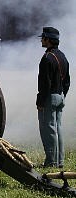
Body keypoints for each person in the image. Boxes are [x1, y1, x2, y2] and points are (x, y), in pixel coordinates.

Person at [37, 27, 70, 168]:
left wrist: (40, 101)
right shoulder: (63, 56)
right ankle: (60, 161)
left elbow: (45, 83)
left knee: (48, 129)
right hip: (60, 95)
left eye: (43, 38)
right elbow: (67, 80)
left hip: (49, 97)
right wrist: (62, 95)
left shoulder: (47, 58)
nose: (41, 40)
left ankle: (51, 162)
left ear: (48, 40)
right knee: (58, 128)